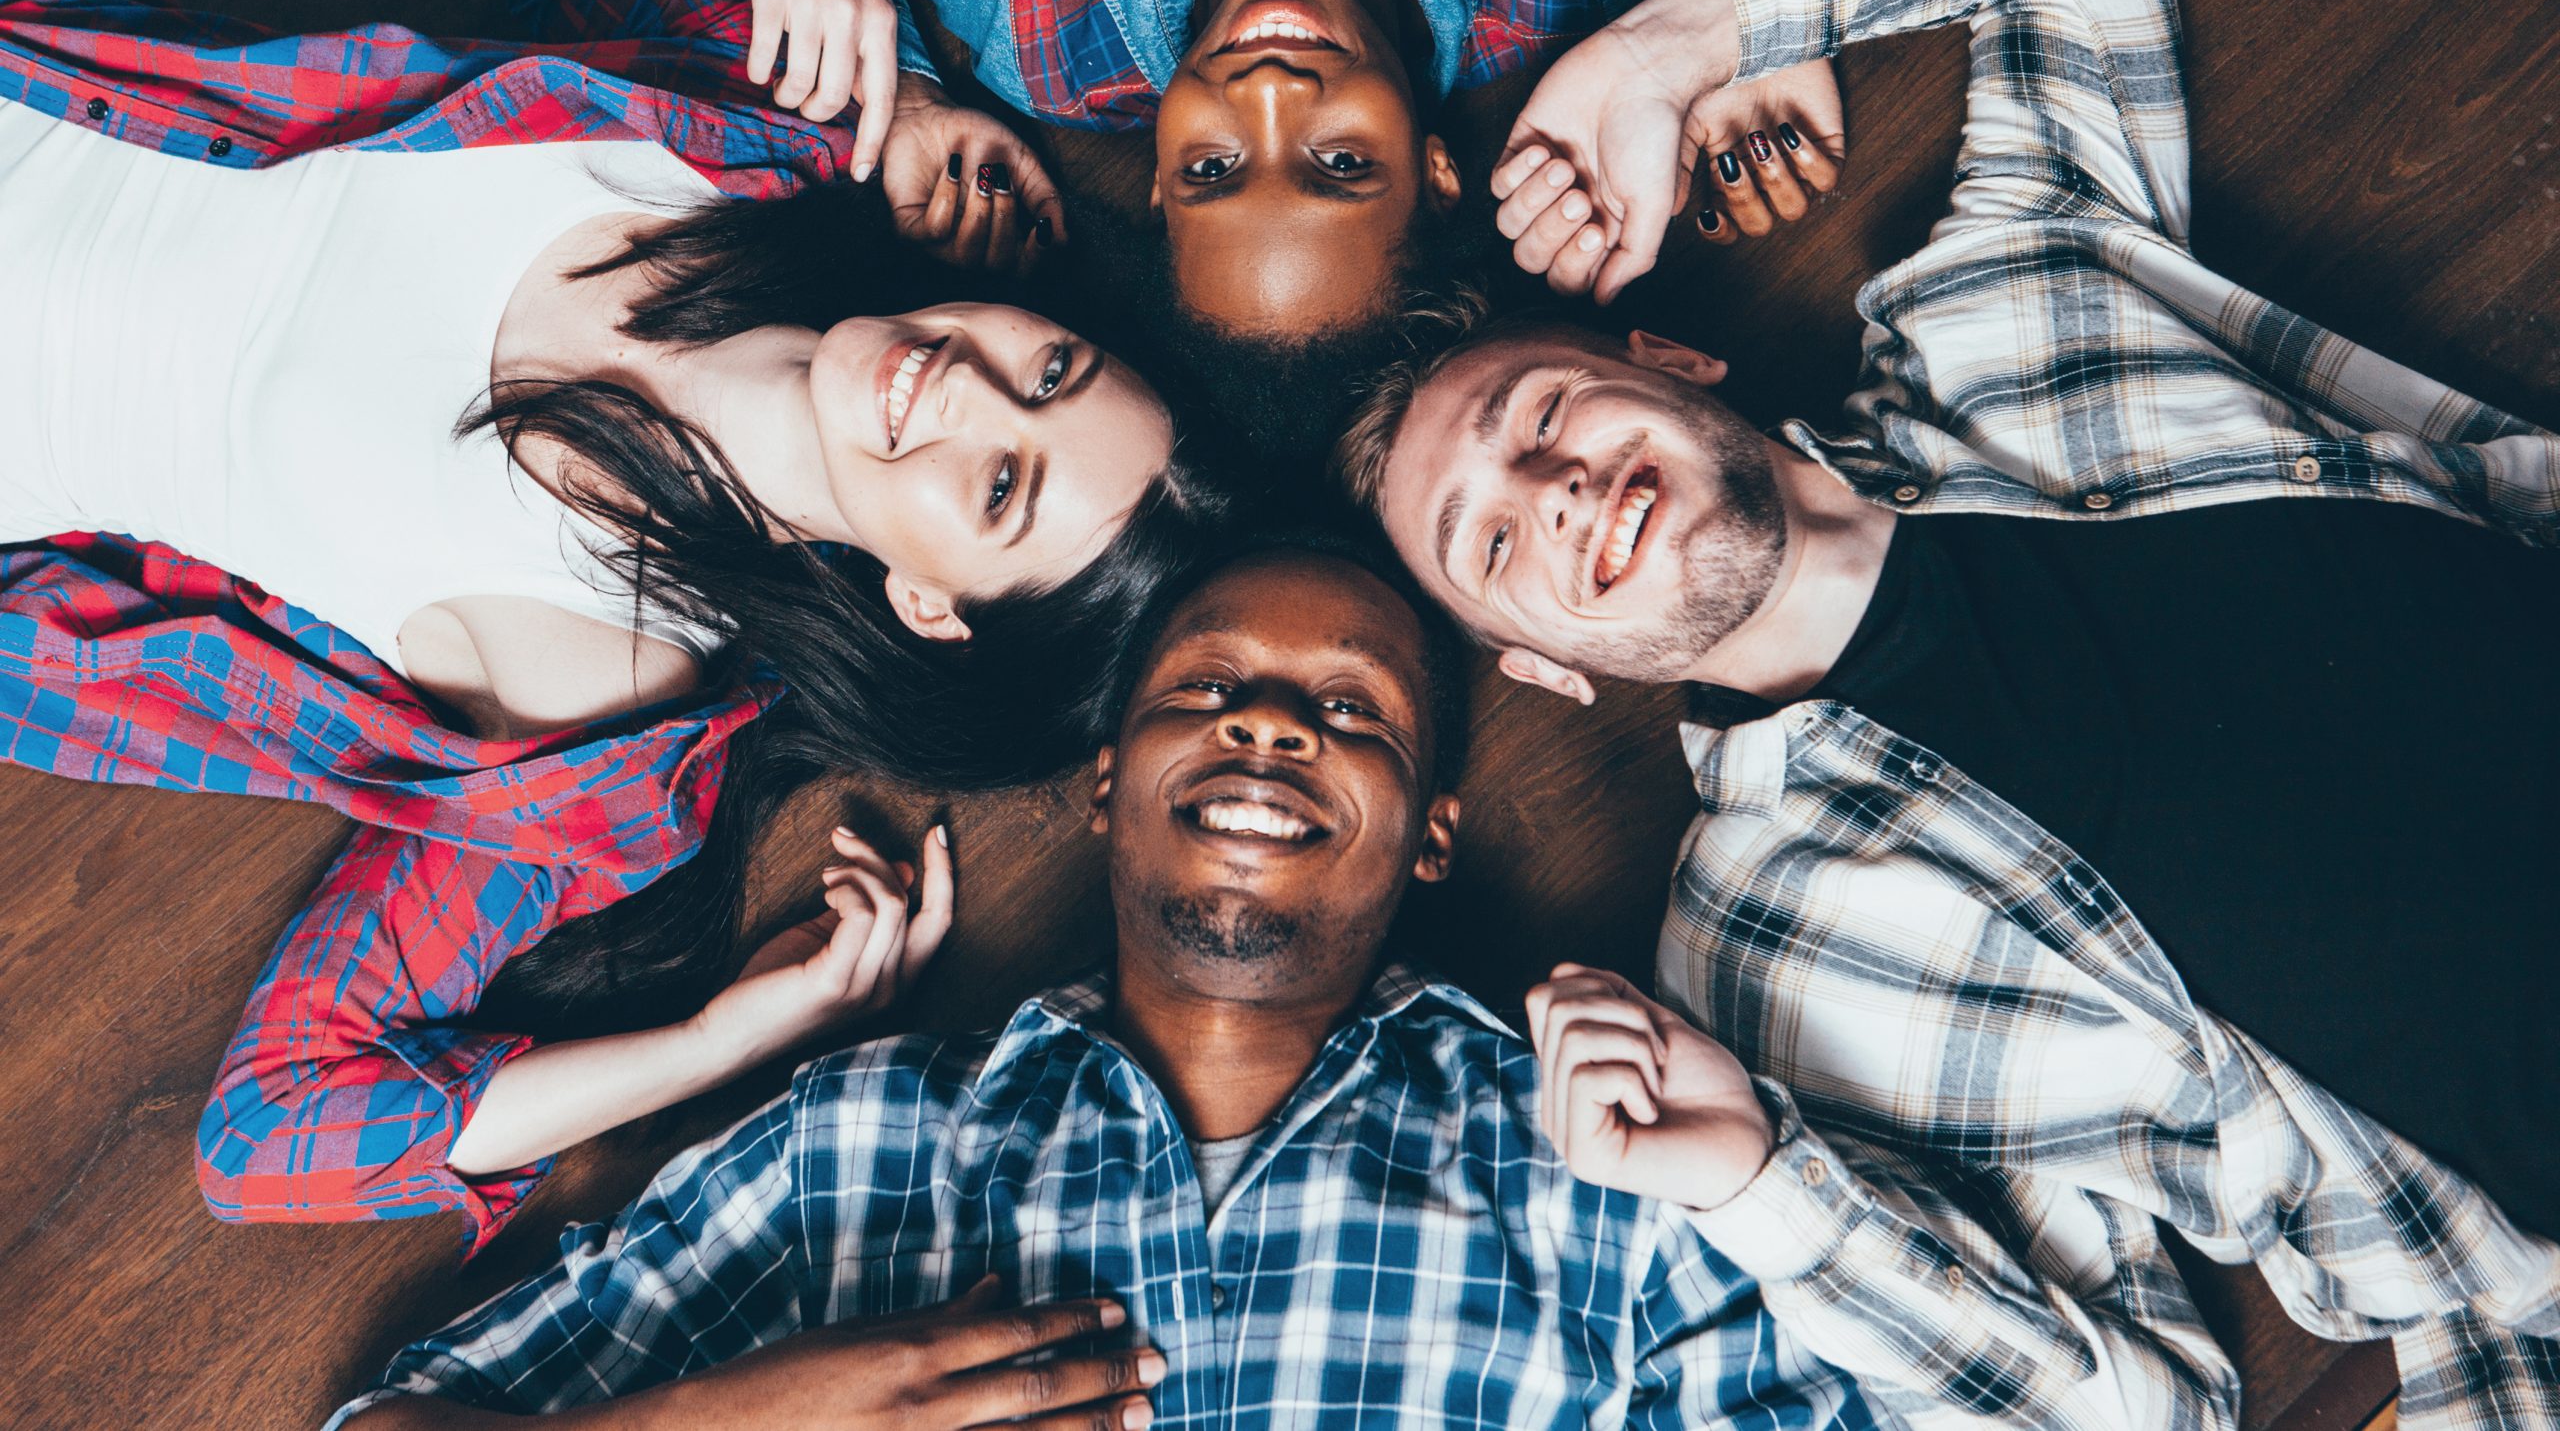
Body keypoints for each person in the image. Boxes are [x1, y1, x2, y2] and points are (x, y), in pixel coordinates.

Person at [1338, 0, 2560, 1428]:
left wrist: (1671, 55)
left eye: (1545, 412)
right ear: (1545, 663)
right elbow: (2148, 1411)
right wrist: (1766, 1187)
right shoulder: (1764, 961)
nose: (1554, 491)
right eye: (1491, 540)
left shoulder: (2008, 290)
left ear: (1674, 362)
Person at [0, 0, 1228, 1243]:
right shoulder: (755, 146)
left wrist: (722, 1042)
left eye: (1002, 487)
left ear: (928, 603)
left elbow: (272, 1134)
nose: (963, 384)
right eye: (1051, 368)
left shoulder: (601, 720)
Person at [323, 542, 2195, 1431]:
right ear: (1103, 787)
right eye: (1204, 690)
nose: (1273, 724)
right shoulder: (861, 1143)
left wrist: (1760, 1178)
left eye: (1352, 712)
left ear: (1431, 833)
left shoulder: (1603, 1172)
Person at [666, 0, 1970, 450]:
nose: (1270, 93)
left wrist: (916, 97)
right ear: (1439, 166)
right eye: (1342, 165)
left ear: (1161, 187)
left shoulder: (1026, 16)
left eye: (1214, 169)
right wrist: (1760, 17)